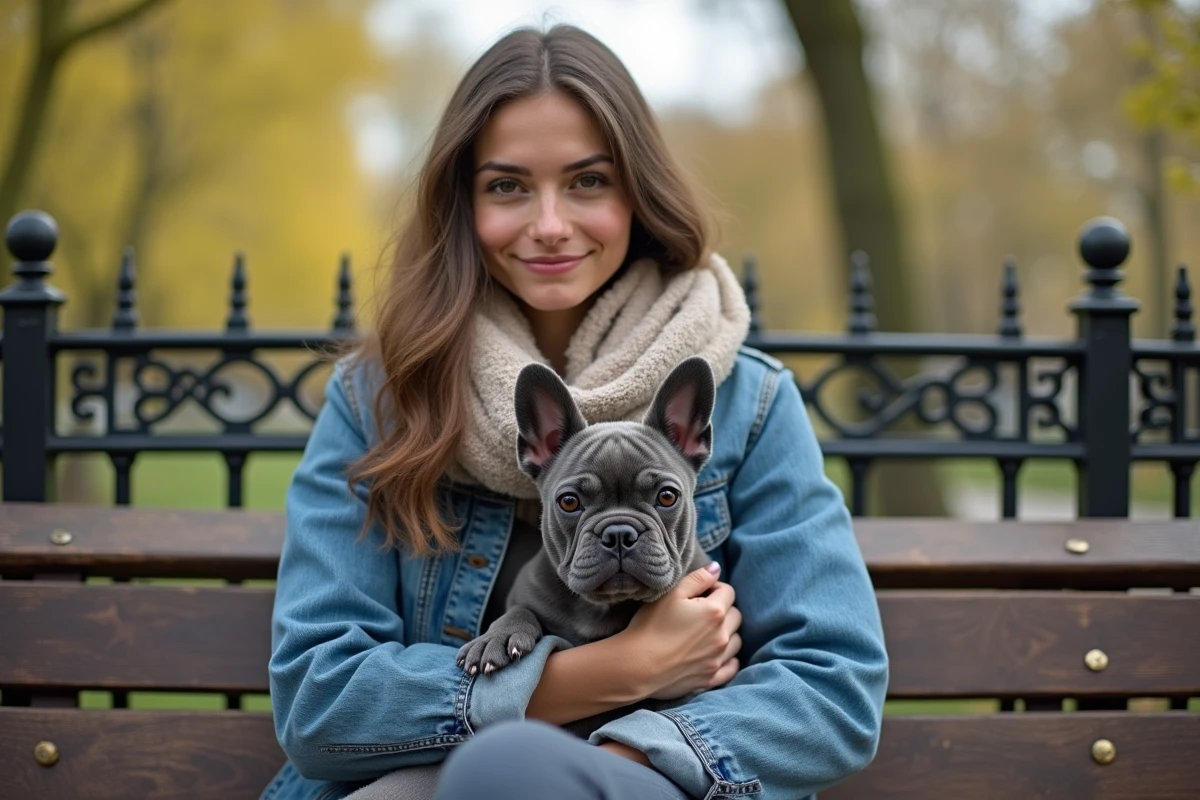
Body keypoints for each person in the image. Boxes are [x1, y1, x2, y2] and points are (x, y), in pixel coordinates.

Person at [258, 24, 887, 800]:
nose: (550, 223)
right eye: (508, 185)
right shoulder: (384, 402)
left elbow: (834, 687)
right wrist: (615, 672)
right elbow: (322, 700)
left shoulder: (749, 401)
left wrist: (595, 767)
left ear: (637, 193)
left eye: (588, 181)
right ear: (463, 203)